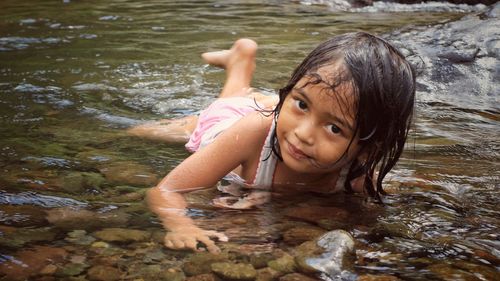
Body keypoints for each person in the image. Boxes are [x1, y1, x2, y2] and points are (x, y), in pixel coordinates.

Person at [128, 32, 416, 253]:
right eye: (301, 103)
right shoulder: (253, 132)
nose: (304, 133)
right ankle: (241, 63)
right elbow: (166, 190)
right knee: (138, 131)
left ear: (368, 148)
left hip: (272, 113)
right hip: (227, 124)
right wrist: (181, 225)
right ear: (290, 91)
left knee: (245, 96)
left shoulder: (357, 174)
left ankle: (241, 60)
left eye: (333, 127)